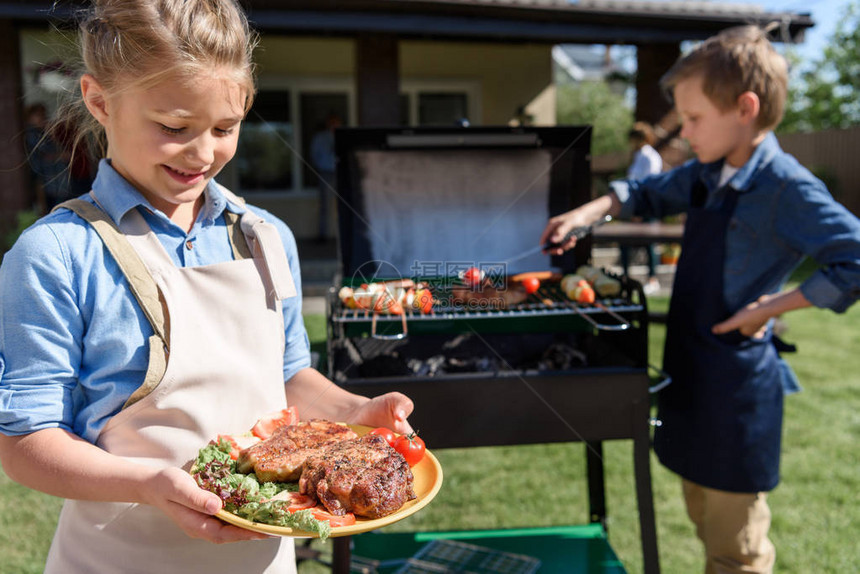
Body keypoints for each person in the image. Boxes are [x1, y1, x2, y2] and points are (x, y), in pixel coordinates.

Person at [0, 2, 413, 573]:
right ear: (99, 101)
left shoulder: (266, 236)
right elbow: (25, 448)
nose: (202, 153)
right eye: (173, 128)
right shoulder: (57, 253)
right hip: (117, 558)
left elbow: (289, 378)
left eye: (225, 128)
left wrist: (359, 410)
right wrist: (149, 483)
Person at [540, 25, 860, 574]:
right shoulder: (711, 171)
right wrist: (588, 213)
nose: (683, 134)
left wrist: (767, 309)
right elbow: (644, 190)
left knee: (735, 550)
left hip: (737, 390)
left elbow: (854, 258)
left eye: (692, 120)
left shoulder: (787, 188)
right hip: (691, 371)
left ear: (745, 108)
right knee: (699, 511)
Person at [620, 121, 663, 294]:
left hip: (645, 206)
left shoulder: (649, 156)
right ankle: (625, 276)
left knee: (649, 243)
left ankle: (652, 279)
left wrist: (639, 209)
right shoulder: (638, 156)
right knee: (625, 242)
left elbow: (648, 183)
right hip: (633, 205)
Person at [309, 112, 341, 242]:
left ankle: (343, 236)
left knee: (343, 206)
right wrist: (322, 167)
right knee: (325, 206)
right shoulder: (320, 137)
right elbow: (314, 155)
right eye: (332, 122)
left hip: (341, 174)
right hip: (326, 173)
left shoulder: (342, 136)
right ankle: (324, 235)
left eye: (336, 122)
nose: (334, 125)